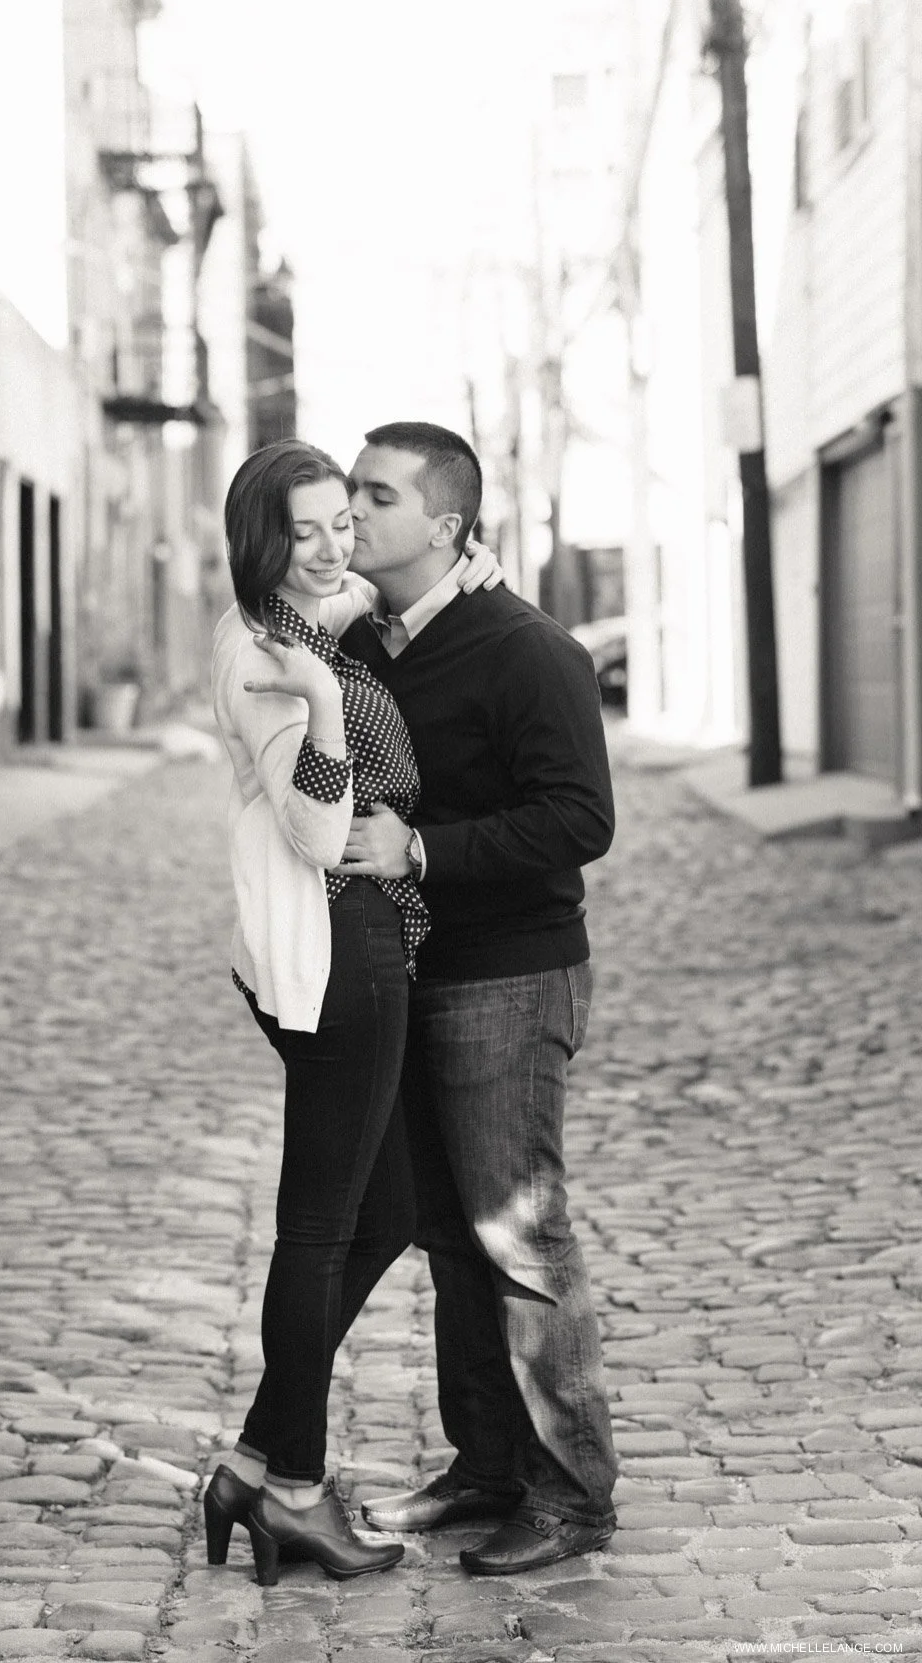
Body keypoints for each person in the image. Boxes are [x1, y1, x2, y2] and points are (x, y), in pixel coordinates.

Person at [204, 438, 501, 1586]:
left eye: (344, 522)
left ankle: (257, 1456)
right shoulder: (272, 660)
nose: (333, 547)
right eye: (307, 530)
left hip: (356, 940)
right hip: (338, 947)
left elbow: (384, 583)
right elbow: (320, 833)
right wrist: (328, 700)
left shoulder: (305, 619)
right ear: (261, 545)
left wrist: (457, 575)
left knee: (388, 1209)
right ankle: (294, 1490)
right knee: (324, 1224)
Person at [333, 420, 619, 1576]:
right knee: (452, 1238)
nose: (353, 512)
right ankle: (488, 1469)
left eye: (377, 495)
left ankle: (571, 1496)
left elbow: (579, 820)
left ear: (445, 525)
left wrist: (423, 851)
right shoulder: (377, 644)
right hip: (418, 974)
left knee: (521, 1240)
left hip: (511, 974)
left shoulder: (527, 648)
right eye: (351, 490)